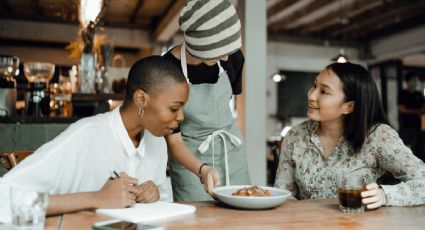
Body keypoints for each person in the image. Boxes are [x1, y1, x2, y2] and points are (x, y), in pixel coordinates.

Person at [0, 56, 189, 221]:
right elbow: (4, 198)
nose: (181, 117)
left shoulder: (157, 142)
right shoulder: (86, 135)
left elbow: (165, 204)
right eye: (174, 109)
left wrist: (154, 195)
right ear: (141, 99)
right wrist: (96, 198)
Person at [274, 62, 425, 208]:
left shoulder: (377, 136)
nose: (311, 95)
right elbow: (284, 194)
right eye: (314, 85)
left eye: (324, 91)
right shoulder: (295, 135)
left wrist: (386, 194)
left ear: (348, 107)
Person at [163, 0, 250, 201]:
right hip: (190, 160)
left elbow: (227, 105)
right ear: (201, 47)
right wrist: (201, 169)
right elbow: (173, 140)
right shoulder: (167, 71)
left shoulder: (234, 57)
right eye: (221, 52)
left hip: (232, 153)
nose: (227, 59)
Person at [398, 72, 425, 160]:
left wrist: (412, 111)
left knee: (419, 149)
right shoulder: (403, 93)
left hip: (418, 126)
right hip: (406, 127)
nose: (416, 82)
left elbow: (423, 109)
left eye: (417, 80)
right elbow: (402, 110)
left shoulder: (419, 94)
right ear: (407, 81)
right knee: (406, 149)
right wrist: (417, 111)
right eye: (413, 80)